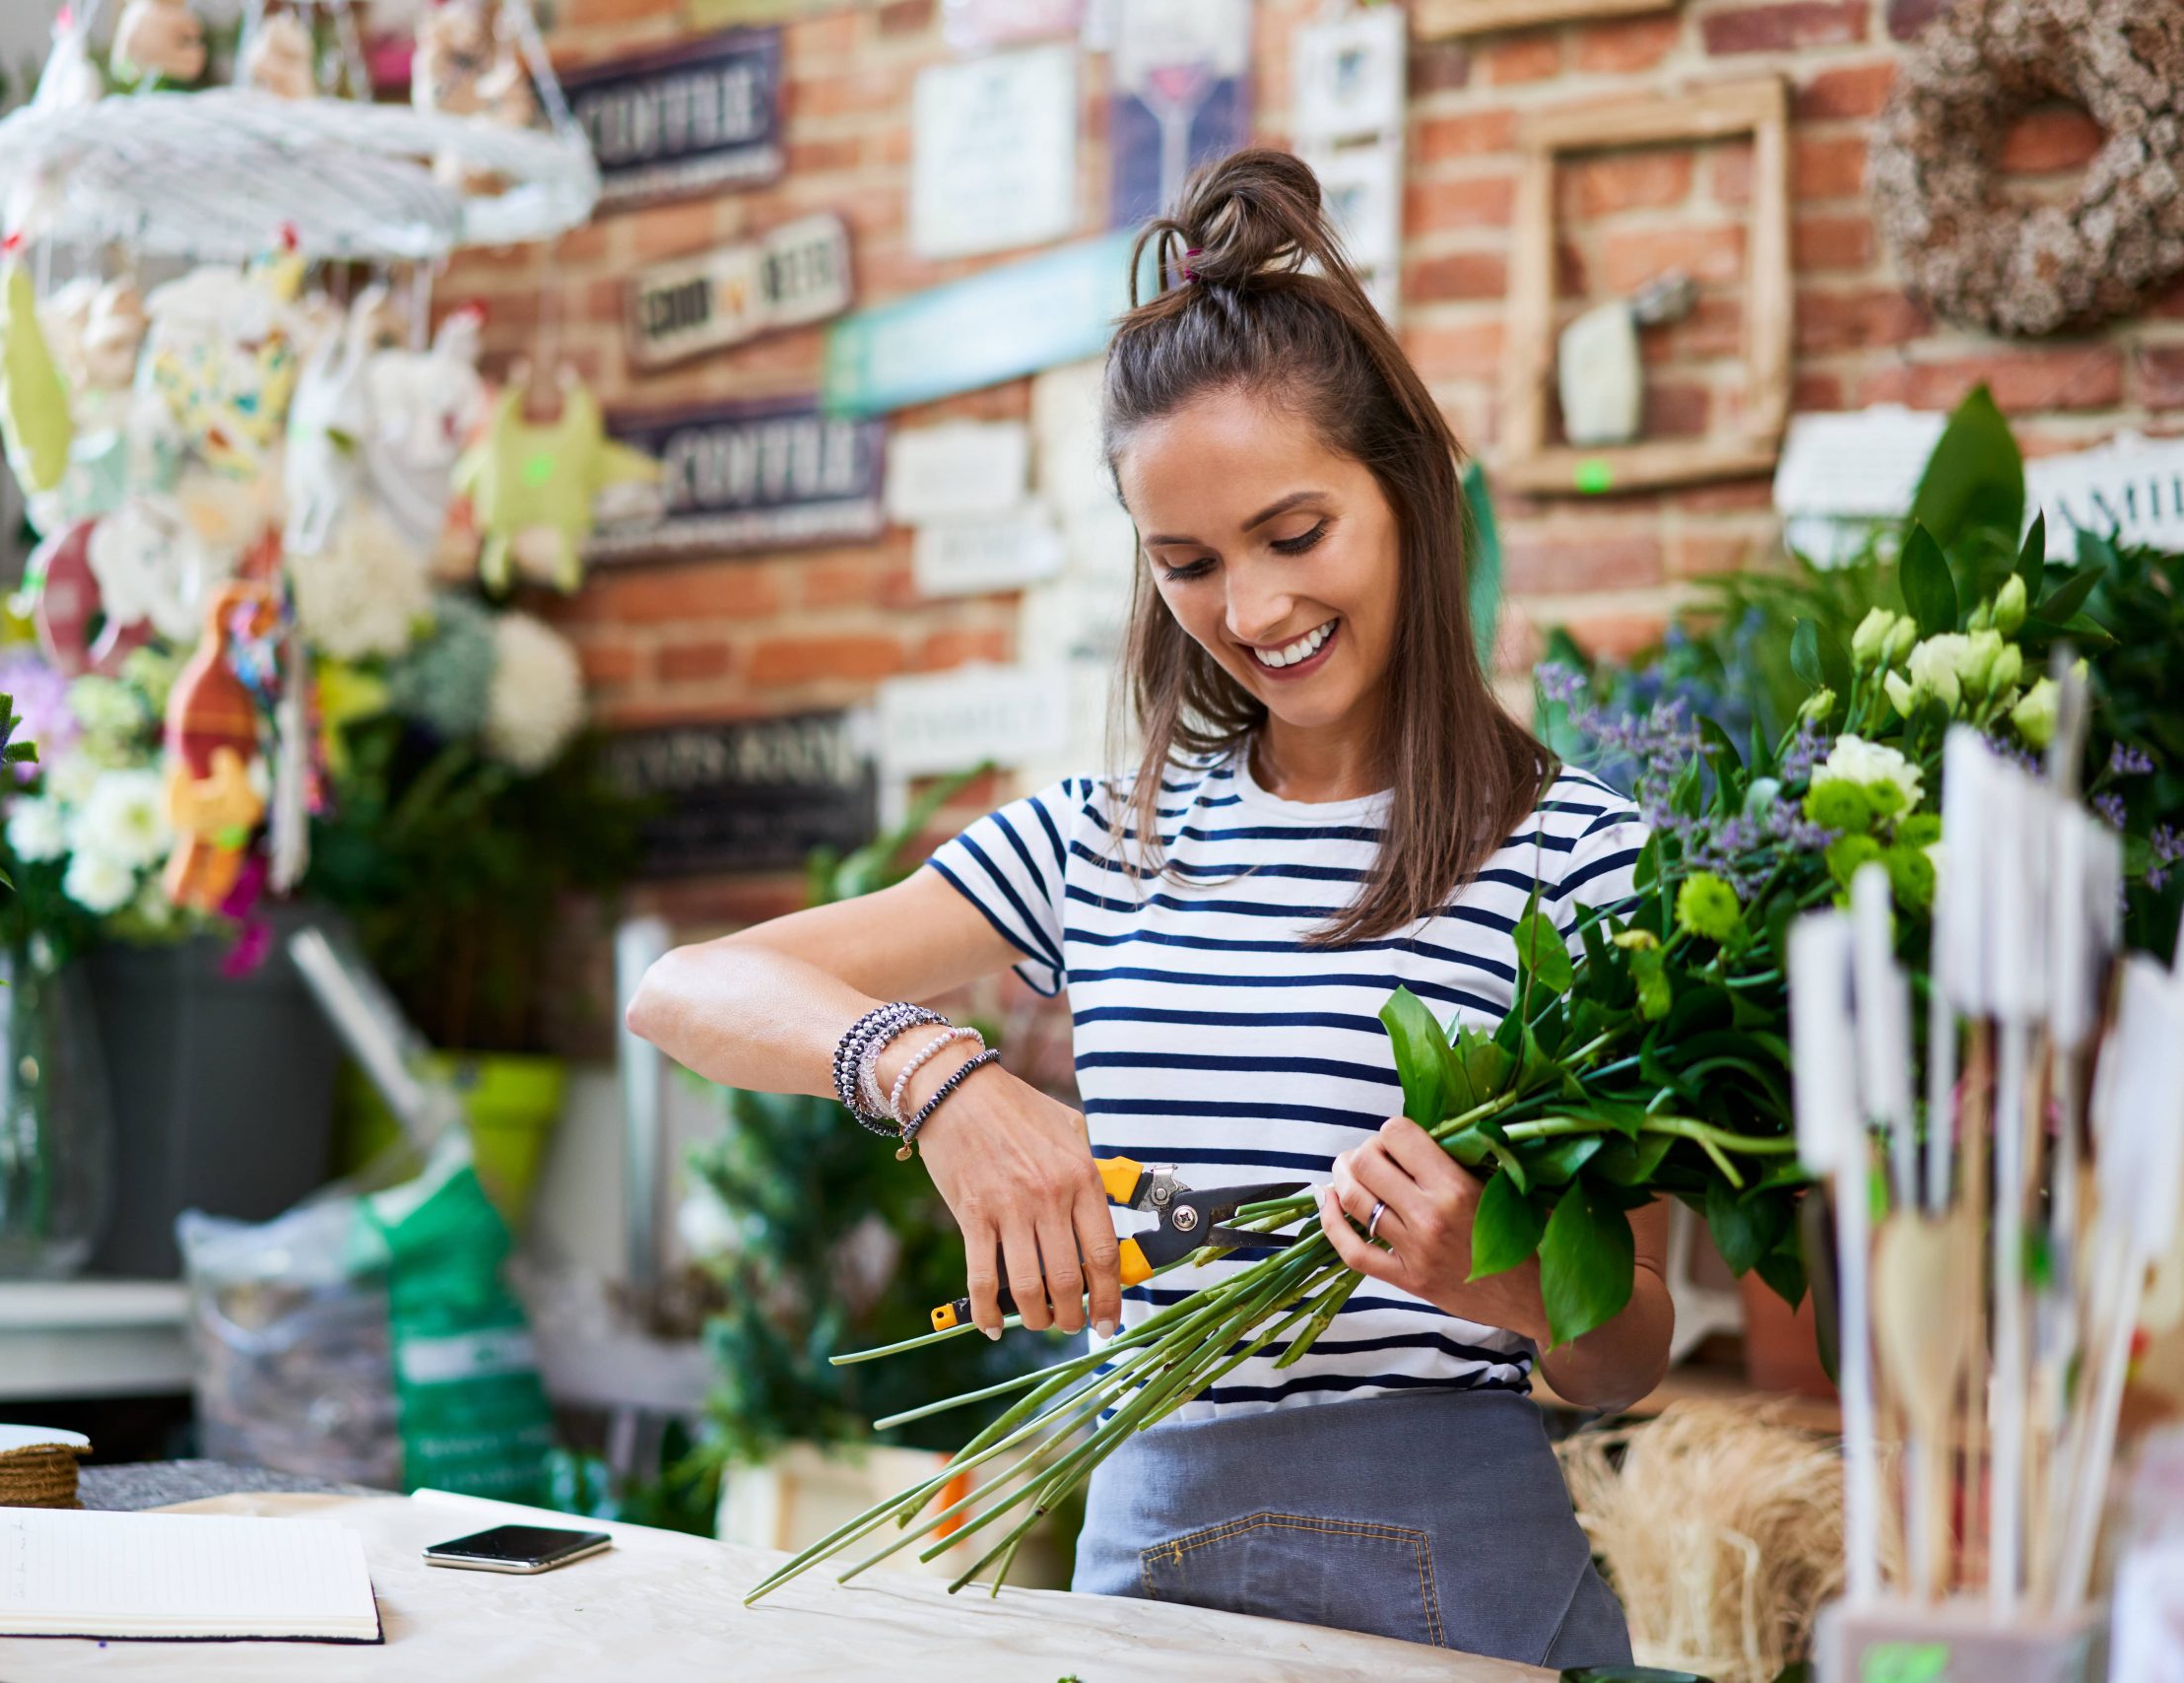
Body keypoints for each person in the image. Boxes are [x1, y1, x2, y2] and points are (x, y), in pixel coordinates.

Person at [626, 147, 1665, 1668]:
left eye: (1295, 536)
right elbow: (686, 990)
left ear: (1413, 491)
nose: (1251, 612)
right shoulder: (1103, 845)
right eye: (1187, 562)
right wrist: (944, 1086)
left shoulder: (1583, 861)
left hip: (1470, 1597)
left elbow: (1631, 1348)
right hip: (1146, 1582)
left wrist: (1488, 1276)